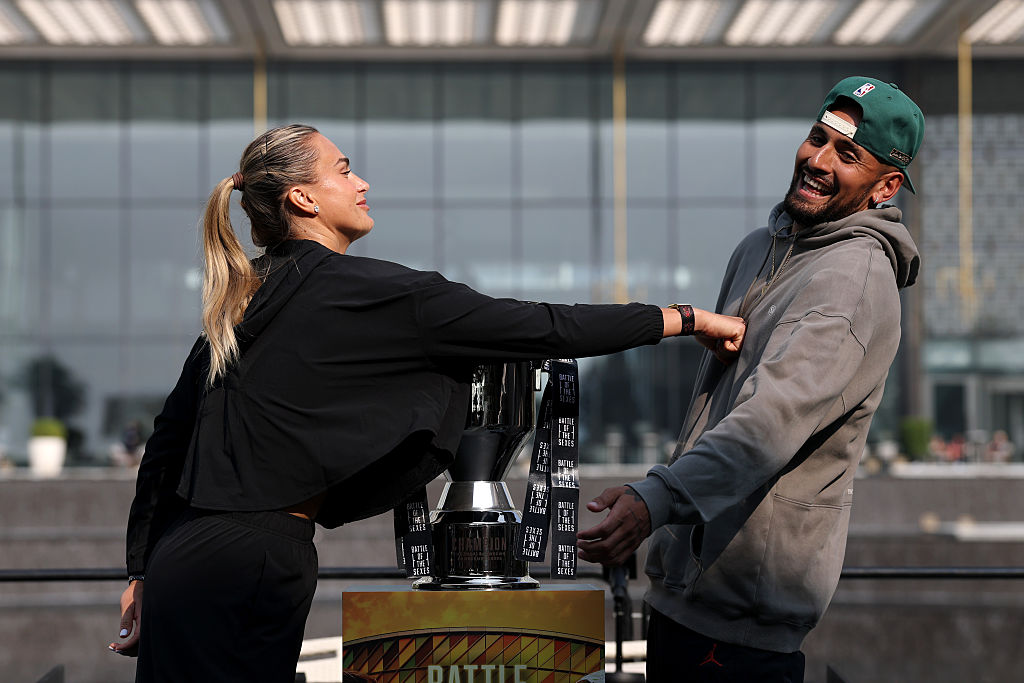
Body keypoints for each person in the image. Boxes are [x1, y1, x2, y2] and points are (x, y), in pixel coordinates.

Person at [107, 123, 746, 682]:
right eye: (343, 170)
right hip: (251, 563)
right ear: (303, 198)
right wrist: (685, 319)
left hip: (181, 558)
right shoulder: (380, 294)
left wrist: (140, 573)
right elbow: (546, 326)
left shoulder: (240, 301)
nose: (362, 183)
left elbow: (166, 447)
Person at [577, 76, 924, 681]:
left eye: (847, 154)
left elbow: (768, 425)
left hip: (741, 621)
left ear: (885, 186)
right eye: (817, 138)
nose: (818, 161)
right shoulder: (759, 248)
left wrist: (655, 499)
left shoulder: (853, 280)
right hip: (682, 595)